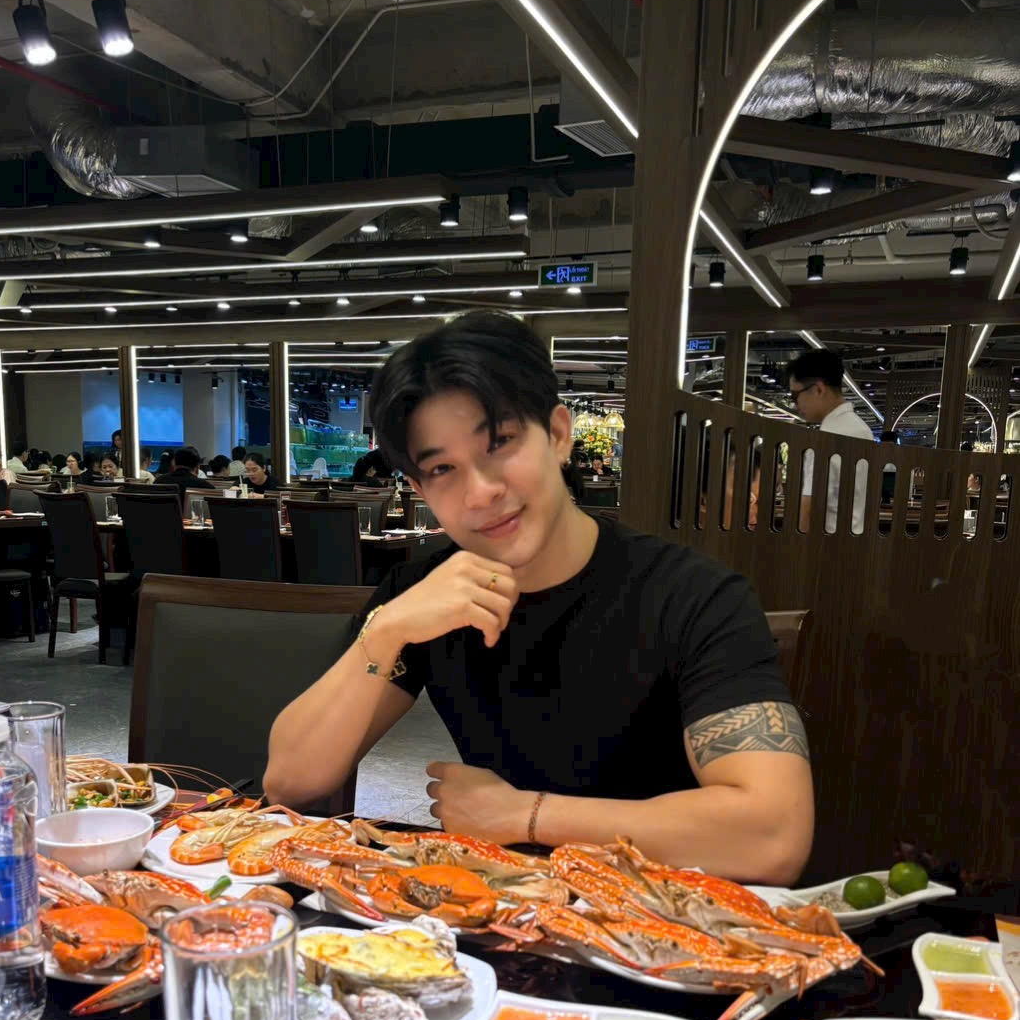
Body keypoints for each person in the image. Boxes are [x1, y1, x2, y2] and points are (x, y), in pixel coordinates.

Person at [265, 311, 813, 885]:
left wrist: (524, 815)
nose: (482, 491)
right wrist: (385, 631)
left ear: (557, 434)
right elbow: (290, 780)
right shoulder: (424, 597)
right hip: (506, 906)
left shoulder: (693, 596)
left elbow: (773, 834)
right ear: (421, 488)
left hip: (662, 907)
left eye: (500, 442)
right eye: (443, 468)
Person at [788, 349, 874, 536]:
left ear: (818, 389)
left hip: (826, 543)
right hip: (856, 538)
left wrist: (798, 547)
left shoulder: (827, 437)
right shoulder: (863, 429)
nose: (795, 405)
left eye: (795, 396)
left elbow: (810, 505)